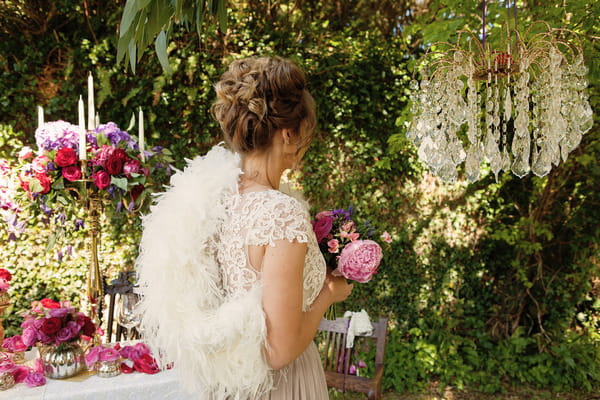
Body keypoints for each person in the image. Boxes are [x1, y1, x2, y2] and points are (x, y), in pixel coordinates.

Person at [135, 56, 353, 399]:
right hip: (282, 386)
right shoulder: (281, 213)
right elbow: (279, 351)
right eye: (305, 133)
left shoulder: (213, 201)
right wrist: (330, 294)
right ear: (288, 133)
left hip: (231, 385)